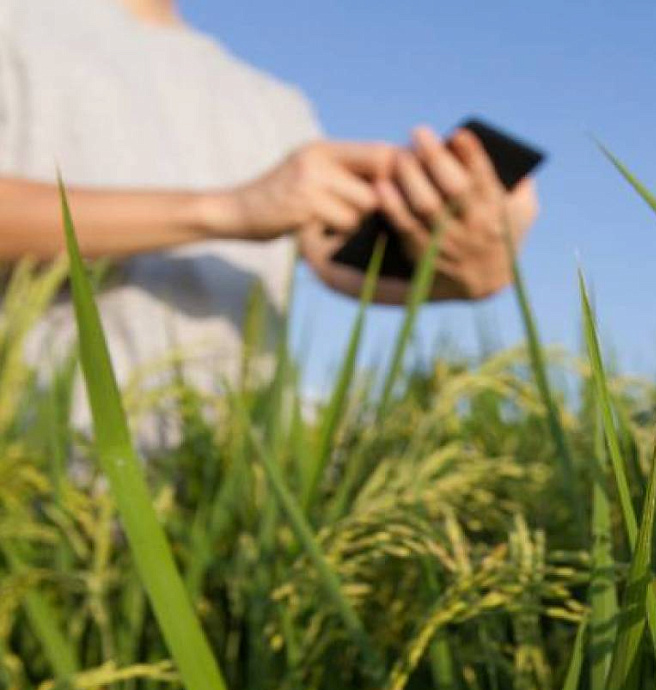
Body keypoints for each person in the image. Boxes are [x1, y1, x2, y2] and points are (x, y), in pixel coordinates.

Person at [0, 0, 538, 421]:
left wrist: (462, 267)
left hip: (226, 481)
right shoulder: (21, 23)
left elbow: (333, 259)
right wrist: (228, 210)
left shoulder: (274, 102)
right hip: (38, 458)